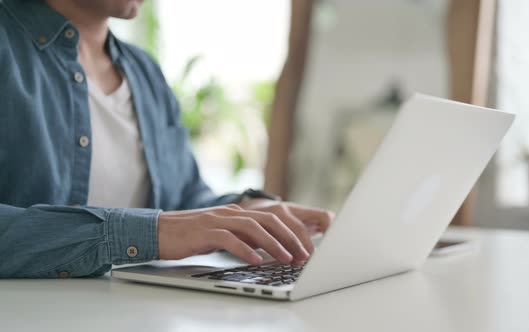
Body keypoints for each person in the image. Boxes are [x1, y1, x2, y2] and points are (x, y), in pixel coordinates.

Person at [0, 0, 333, 278]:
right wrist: (151, 232)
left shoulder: (144, 72)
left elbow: (183, 198)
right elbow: (164, 227)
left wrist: (247, 210)